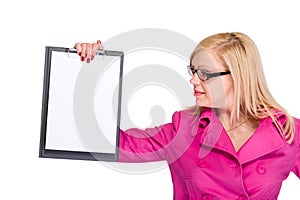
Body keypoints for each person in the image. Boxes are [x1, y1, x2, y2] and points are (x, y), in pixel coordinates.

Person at [74, 32, 300, 200]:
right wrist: (92, 69)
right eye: (193, 71)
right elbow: (106, 144)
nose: (193, 80)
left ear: (239, 77)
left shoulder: (288, 131)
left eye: (204, 73)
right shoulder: (184, 129)